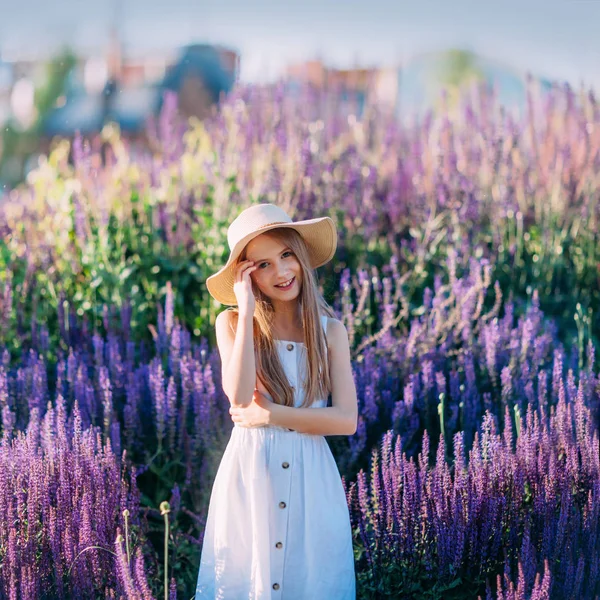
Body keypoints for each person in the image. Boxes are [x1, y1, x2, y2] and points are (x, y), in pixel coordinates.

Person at [195, 203, 358, 599]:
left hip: (310, 479)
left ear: (301, 256)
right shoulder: (232, 323)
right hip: (252, 475)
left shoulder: (330, 332)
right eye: (263, 265)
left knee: (310, 579)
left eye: (286, 256)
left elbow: (345, 420)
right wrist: (247, 307)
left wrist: (270, 413)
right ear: (246, 275)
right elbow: (236, 395)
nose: (281, 272)